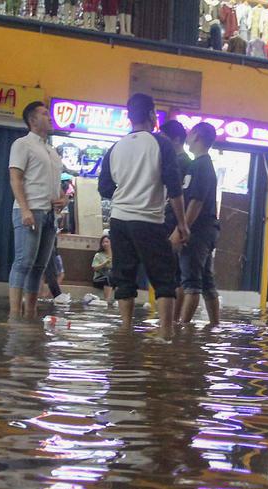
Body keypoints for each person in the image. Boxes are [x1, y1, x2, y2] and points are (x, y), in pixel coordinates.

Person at [97, 93, 187, 341]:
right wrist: (182, 223)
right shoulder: (161, 144)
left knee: (123, 276)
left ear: (129, 117)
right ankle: (166, 335)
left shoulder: (116, 147)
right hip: (148, 220)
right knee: (163, 276)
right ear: (151, 114)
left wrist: (126, 190)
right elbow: (175, 186)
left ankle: (125, 332)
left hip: (119, 221)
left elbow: (104, 188)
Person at [8, 100, 66, 320]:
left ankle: (30, 311)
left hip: (50, 214)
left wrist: (64, 199)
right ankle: (14, 314)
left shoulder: (52, 151)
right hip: (30, 210)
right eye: (44, 113)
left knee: (39, 266)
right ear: (32, 120)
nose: (49, 117)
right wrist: (24, 210)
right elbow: (15, 178)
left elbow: (56, 184)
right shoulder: (22, 144)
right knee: (23, 262)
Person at [177, 122, 221, 326]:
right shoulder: (204, 164)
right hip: (207, 229)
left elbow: (196, 201)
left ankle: (181, 331)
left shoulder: (200, 165)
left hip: (198, 229)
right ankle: (214, 326)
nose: (187, 134)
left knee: (191, 282)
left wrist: (182, 228)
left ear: (196, 136)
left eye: (191, 131)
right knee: (206, 281)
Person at [159, 119, 192, 315]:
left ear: (176, 140)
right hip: (170, 222)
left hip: (174, 224)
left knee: (174, 274)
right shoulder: (175, 162)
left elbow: (184, 198)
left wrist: (179, 227)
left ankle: (174, 321)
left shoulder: (183, 164)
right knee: (170, 272)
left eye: (164, 139)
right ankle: (171, 321)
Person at [92, 233, 114, 302]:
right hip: (98, 279)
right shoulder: (98, 255)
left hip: (112, 279)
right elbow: (94, 268)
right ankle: (107, 300)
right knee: (108, 278)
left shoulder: (116, 254)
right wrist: (105, 263)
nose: (105, 244)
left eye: (107, 242)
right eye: (103, 242)